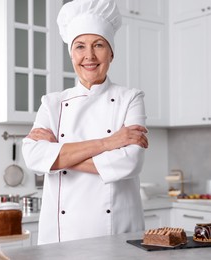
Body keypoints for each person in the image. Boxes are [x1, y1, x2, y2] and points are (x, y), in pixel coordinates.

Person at [22, 0, 149, 245]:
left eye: (98, 45)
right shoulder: (52, 103)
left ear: (111, 52)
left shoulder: (130, 98)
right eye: (80, 46)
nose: (89, 56)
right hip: (60, 237)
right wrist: (109, 142)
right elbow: (34, 158)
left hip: (117, 235)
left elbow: (130, 163)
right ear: (71, 54)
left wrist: (57, 156)